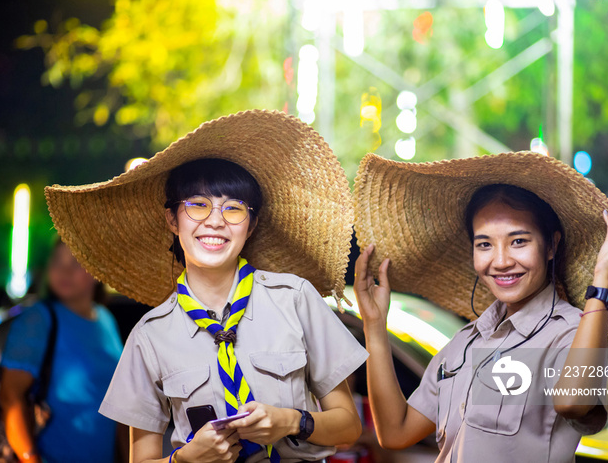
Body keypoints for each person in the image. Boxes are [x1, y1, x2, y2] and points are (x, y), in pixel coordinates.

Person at [44, 110, 368, 463]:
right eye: (197, 205)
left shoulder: (295, 299)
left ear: (252, 224)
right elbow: (140, 458)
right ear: (172, 219)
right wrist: (183, 460)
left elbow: (350, 427)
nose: (215, 221)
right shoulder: (150, 336)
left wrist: (291, 421)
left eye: (234, 208)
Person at [352, 152, 608, 462]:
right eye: (484, 244)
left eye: (518, 241)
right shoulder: (464, 343)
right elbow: (395, 432)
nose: (500, 261)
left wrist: (603, 280)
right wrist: (374, 326)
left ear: (551, 245)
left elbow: (573, 402)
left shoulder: (570, 332)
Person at [0, 239, 125, 463]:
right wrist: (30, 458)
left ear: (97, 272)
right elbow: (11, 396)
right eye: (57, 261)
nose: (64, 270)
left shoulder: (106, 319)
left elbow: (120, 402)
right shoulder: (37, 319)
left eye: (76, 262)